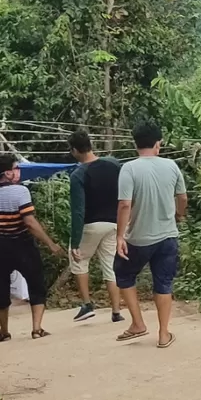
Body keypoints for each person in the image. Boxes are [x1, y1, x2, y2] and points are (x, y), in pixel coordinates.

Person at [0, 154, 63, 342]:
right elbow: (29, 222)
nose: (18, 171)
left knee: (0, 288)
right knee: (36, 283)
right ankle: (37, 329)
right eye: (16, 168)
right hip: (22, 245)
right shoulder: (21, 192)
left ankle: (4, 331)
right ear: (7, 173)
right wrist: (50, 243)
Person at [114, 121, 187, 348]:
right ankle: (164, 334)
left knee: (124, 274)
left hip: (139, 238)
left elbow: (125, 204)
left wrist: (119, 236)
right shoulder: (171, 166)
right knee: (163, 283)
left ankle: (138, 323)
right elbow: (183, 198)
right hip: (167, 237)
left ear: (135, 144)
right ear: (158, 144)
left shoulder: (129, 168)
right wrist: (179, 215)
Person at [66, 129, 123, 323]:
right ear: (90, 144)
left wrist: (75, 241)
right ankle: (116, 311)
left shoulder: (78, 174)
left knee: (79, 260)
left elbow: (78, 210)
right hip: (114, 222)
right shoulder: (114, 164)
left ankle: (87, 304)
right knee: (110, 266)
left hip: (91, 224)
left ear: (74, 150)